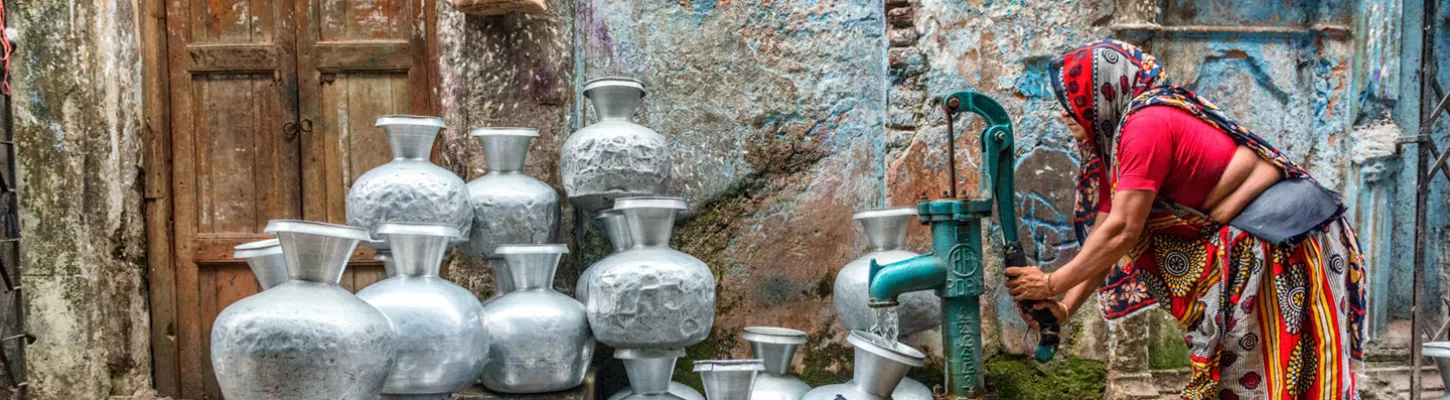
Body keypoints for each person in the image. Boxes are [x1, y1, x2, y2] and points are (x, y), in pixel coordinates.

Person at [1003, 40, 1367, 400]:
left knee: (1273, 381)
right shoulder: (1116, 147)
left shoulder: (1145, 125)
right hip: (1263, 240)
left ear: (1103, 94)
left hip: (1286, 238)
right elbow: (1106, 235)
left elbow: (1123, 231)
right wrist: (1064, 305)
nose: (1065, 112)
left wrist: (1051, 282)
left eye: (1074, 99)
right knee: (1250, 380)